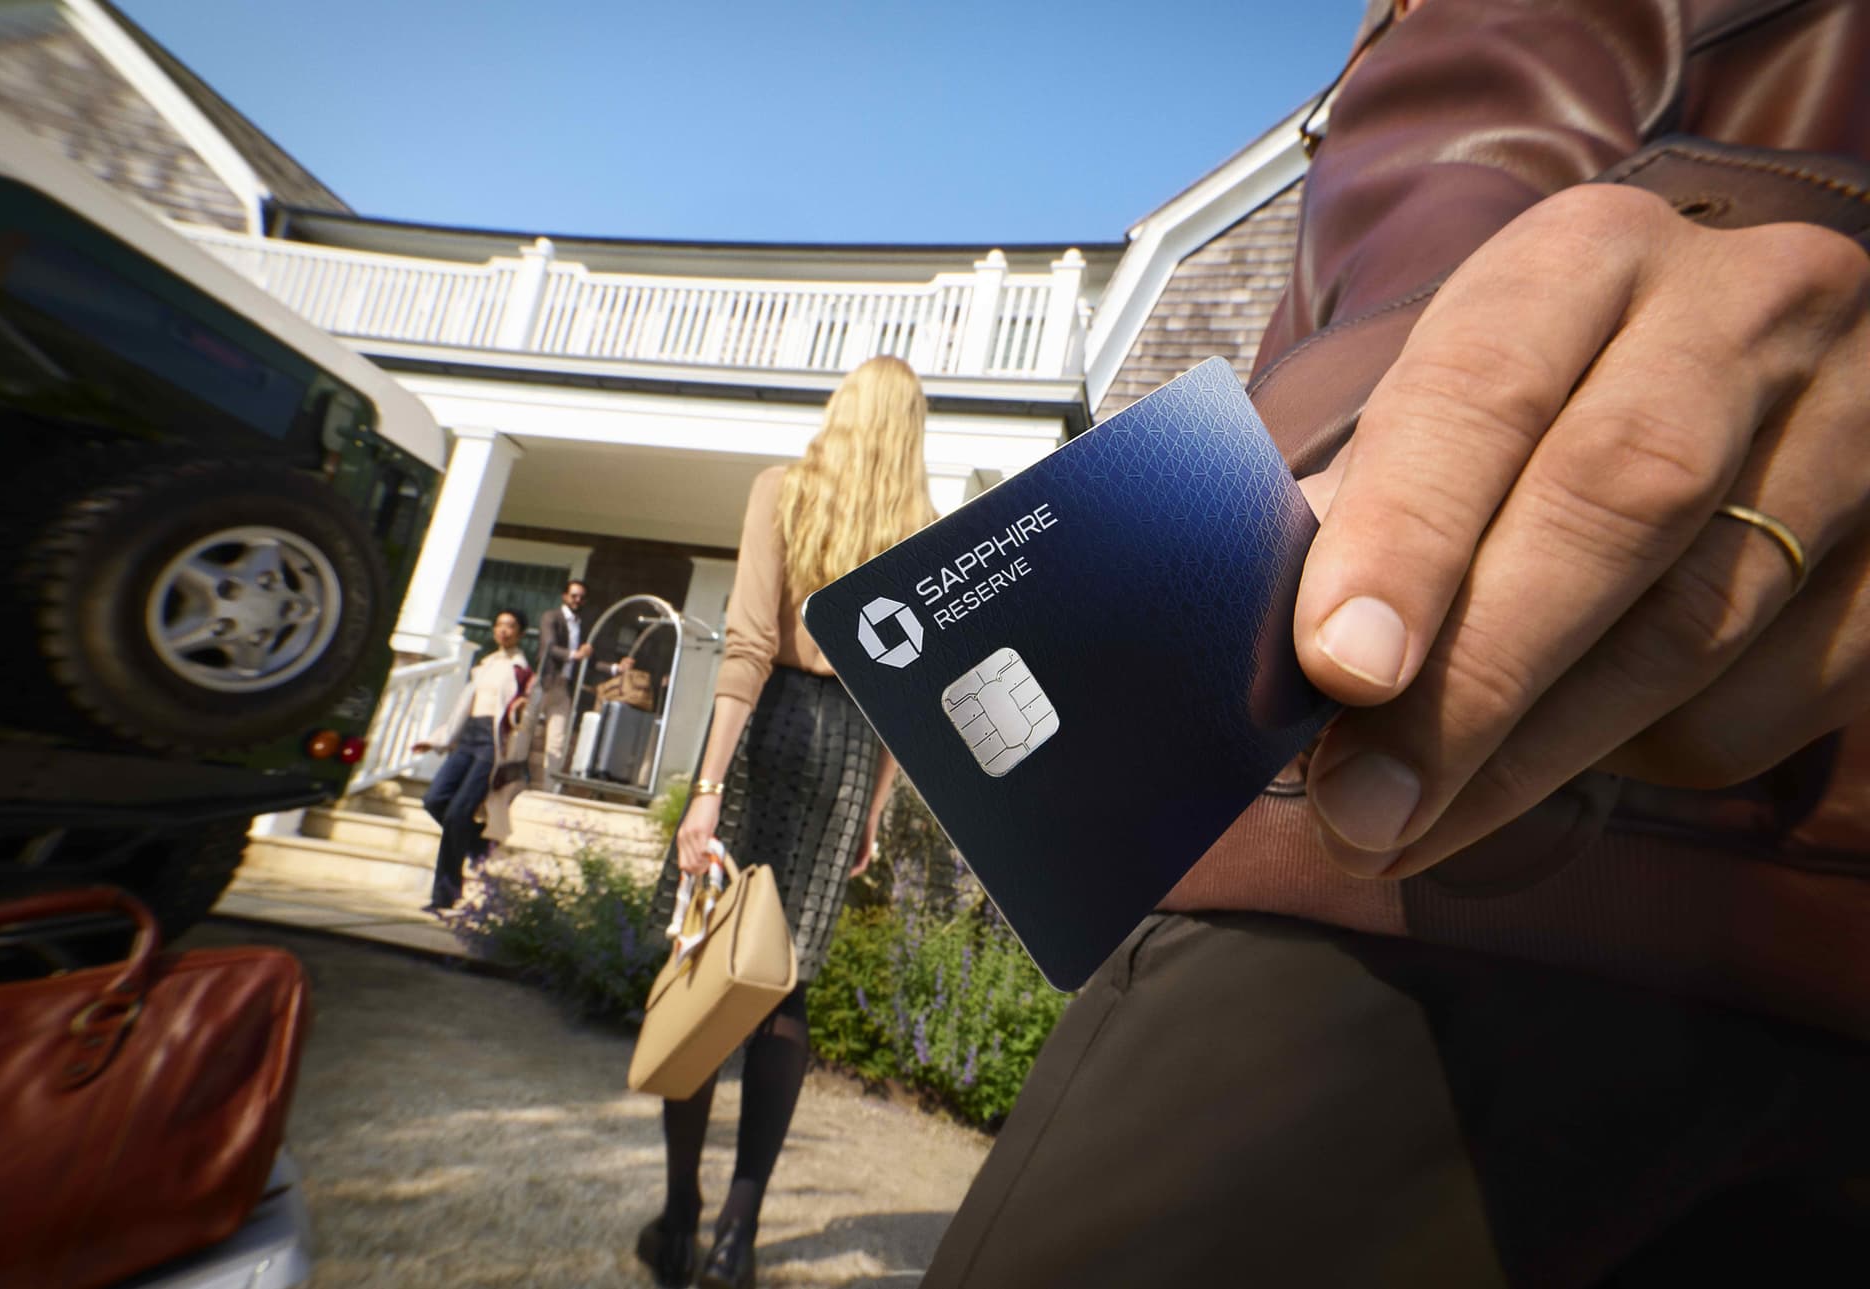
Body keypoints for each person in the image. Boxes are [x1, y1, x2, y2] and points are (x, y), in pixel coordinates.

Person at [927, 1, 1870, 1285]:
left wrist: (1420, 412)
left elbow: (1476, 103)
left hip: (1479, 895)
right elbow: (1495, 108)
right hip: (1580, 878)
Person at [632, 355, 934, 1289]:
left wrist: (708, 786)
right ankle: (738, 1234)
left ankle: (680, 1217)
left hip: (768, 732)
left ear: (842, 411)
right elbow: (904, 694)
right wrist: (875, 811)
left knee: (702, 961)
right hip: (847, 750)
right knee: (780, 988)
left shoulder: (782, 491)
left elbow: (752, 643)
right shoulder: (921, 529)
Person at [411, 608, 541, 912]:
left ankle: (444, 895)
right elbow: (462, 708)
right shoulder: (485, 665)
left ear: (520, 633)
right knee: (434, 799)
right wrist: (436, 739)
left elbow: (526, 715)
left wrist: (525, 703)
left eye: (510, 627)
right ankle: (478, 844)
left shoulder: (522, 671)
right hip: (468, 737)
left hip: (491, 745)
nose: (504, 631)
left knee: (457, 814)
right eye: (499, 625)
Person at [536, 578, 595, 791]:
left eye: (581, 597)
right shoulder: (552, 617)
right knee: (522, 733)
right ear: (564, 596)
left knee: (557, 742)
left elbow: (590, 660)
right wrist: (575, 654)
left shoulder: (581, 626)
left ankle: (548, 789)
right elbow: (549, 647)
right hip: (544, 684)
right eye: (573, 595)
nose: (577, 600)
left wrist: (616, 667)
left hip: (564, 688)